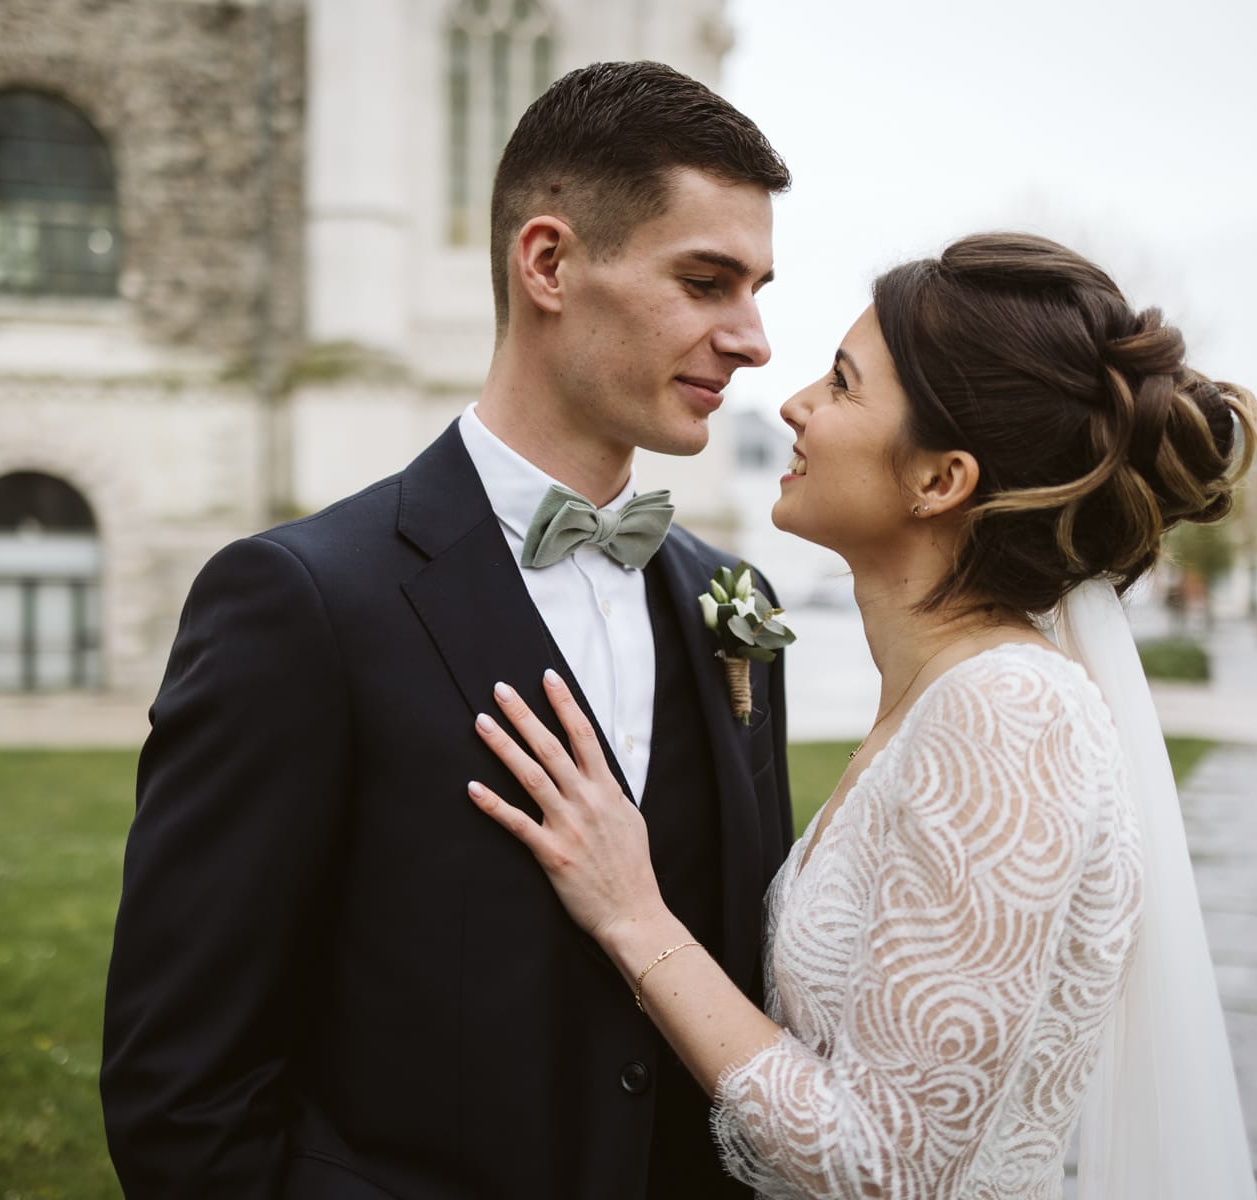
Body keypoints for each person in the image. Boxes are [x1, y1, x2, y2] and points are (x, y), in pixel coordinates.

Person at [101, 61, 795, 1198]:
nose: (755, 338)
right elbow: (181, 1087)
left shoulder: (735, 605)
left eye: (757, 287)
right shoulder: (302, 602)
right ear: (550, 263)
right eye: (708, 281)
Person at [468, 233, 1257, 1199]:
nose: (796, 404)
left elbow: (881, 1163)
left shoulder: (1010, 715)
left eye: (843, 385)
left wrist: (634, 916)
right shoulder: (943, 699)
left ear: (941, 480)